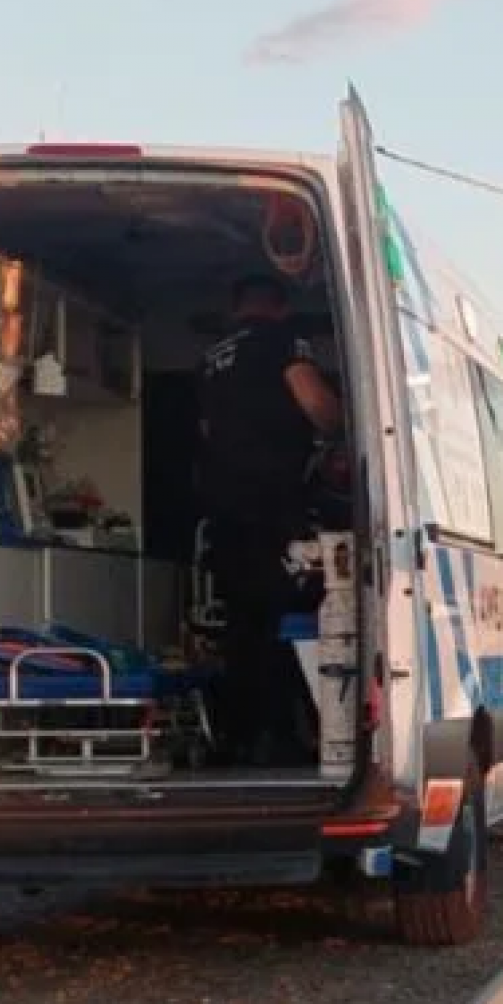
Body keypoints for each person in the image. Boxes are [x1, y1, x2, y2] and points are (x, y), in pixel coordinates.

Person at [196, 273, 342, 766]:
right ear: (279, 308)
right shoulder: (282, 342)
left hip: (224, 508)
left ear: (238, 307)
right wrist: (344, 425)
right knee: (287, 623)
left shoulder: (213, 357)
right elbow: (314, 403)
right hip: (275, 503)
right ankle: (280, 738)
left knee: (242, 625)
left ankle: (236, 737)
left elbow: (208, 428)